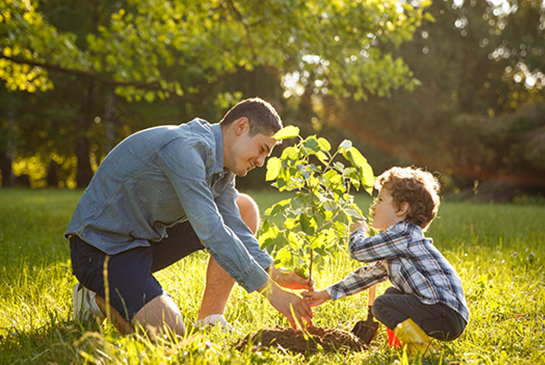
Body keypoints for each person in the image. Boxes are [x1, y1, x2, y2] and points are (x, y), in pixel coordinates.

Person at [66, 97, 313, 337]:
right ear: (241, 127)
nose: (261, 162)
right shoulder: (184, 148)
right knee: (170, 333)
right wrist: (271, 292)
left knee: (243, 208)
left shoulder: (223, 169)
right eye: (262, 149)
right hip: (101, 249)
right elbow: (212, 230)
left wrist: (272, 272)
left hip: (144, 239)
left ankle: (210, 320)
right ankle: (94, 299)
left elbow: (234, 225)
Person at [303, 166, 468, 355]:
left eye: (380, 200)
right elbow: (367, 276)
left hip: (443, 313)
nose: (373, 206)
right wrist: (326, 294)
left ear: (402, 208)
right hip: (447, 315)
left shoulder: (403, 234)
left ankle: (422, 351)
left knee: (382, 305)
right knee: (392, 294)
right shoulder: (400, 244)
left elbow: (358, 251)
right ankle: (406, 345)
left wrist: (358, 232)